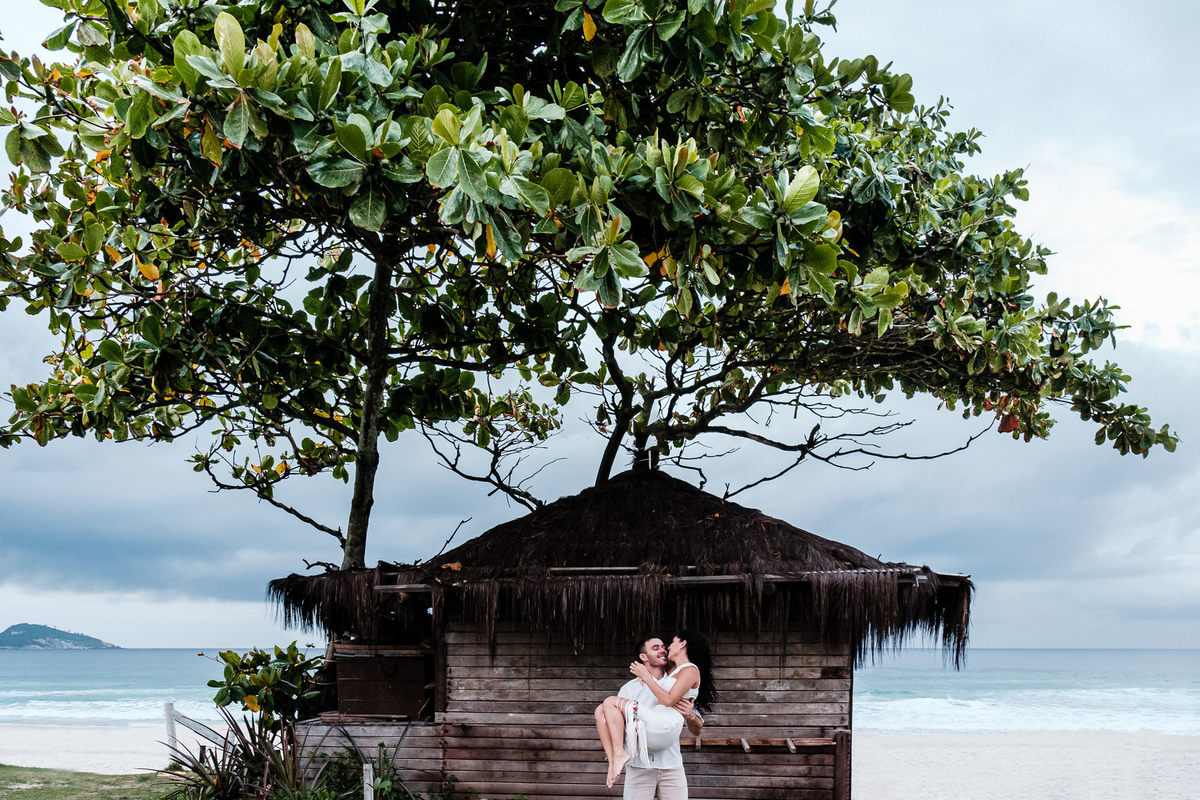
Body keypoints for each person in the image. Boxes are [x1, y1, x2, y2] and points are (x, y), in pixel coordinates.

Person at [594, 630, 716, 792]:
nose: (663, 650)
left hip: (671, 765)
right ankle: (614, 760)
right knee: (601, 710)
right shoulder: (628, 689)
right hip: (639, 766)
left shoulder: (676, 679)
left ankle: (618, 756)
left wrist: (691, 715)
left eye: (664, 646)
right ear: (644, 657)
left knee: (609, 703)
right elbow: (616, 727)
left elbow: (697, 729)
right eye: (656, 648)